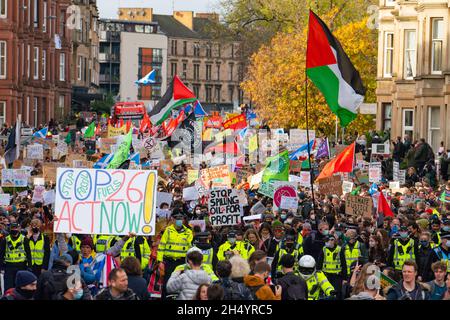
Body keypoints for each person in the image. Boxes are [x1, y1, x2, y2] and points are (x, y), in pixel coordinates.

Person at [157, 211, 193, 297]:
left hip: (182, 262)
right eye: (177, 219)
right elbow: (161, 246)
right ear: (173, 220)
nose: (179, 221)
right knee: (167, 282)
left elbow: (190, 248)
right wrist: (160, 261)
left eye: (181, 219)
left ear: (184, 220)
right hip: (169, 261)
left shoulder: (188, 232)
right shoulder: (168, 230)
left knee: (182, 284)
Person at [0, 222, 32, 290]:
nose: (14, 229)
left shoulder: (24, 239)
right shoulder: (6, 239)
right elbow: (1, 254)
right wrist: (1, 267)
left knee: (21, 287)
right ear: (10, 229)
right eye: (12, 228)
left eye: (15, 228)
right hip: (9, 267)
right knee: (8, 288)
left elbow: (28, 253)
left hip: (21, 266)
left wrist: (29, 266)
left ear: (18, 229)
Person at [317, 234, 346, 299]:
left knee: (337, 293)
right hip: (326, 275)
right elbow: (319, 263)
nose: (326, 242)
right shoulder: (324, 249)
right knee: (326, 292)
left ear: (333, 240)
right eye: (326, 241)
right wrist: (318, 275)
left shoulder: (339, 249)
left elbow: (344, 264)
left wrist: (345, 278)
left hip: (337, 276)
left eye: (328, 240)